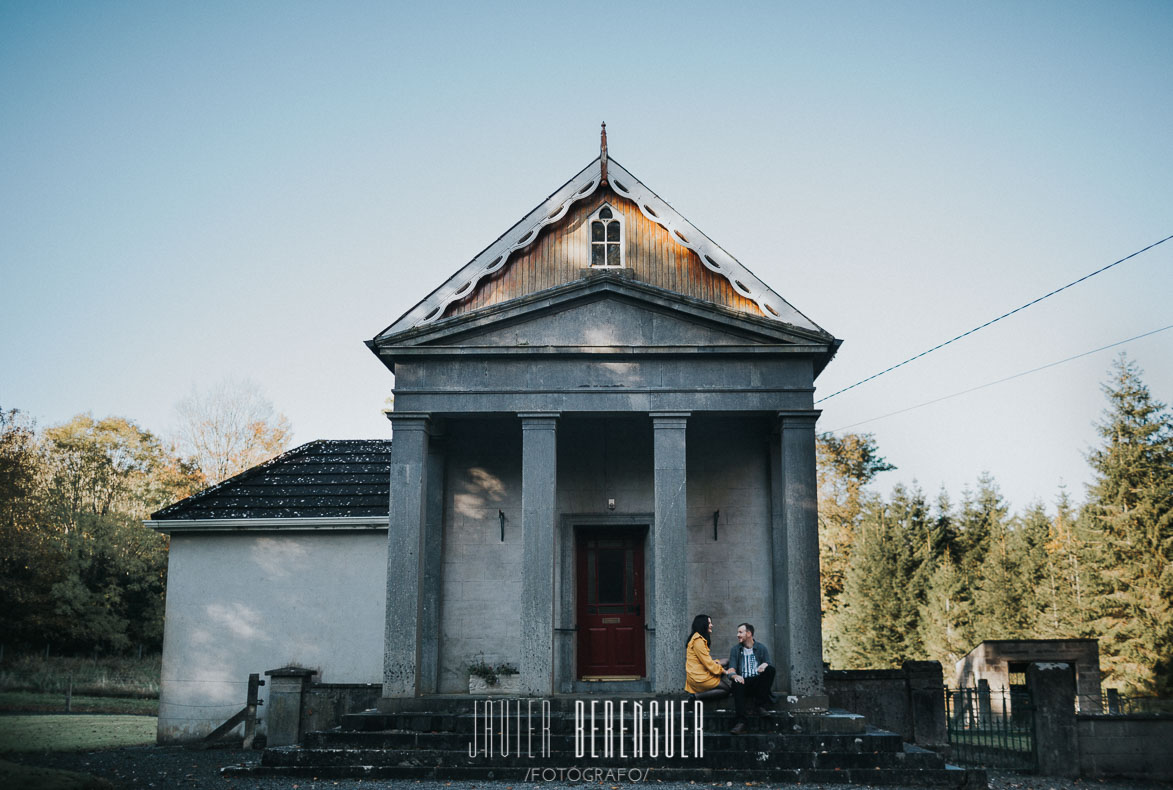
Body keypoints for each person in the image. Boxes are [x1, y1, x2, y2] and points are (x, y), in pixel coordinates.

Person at [725, 622, 776, 732]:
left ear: (749, 633)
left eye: (740, 632)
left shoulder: (761, 648)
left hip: (757, 684)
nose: (737, 635)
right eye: (738, 632)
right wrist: (734, 676)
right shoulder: (735, 650)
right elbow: (731, 668)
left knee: (770, 669)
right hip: (743, 683)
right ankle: (741, 721)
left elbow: (768, 663)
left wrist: (765, 664)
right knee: (736, 681)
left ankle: (760, 705)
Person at [684, 614, 734, 706]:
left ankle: (716, 682)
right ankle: (696, 696)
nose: (712, 625)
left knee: (726, 661)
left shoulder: (698, 638)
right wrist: (725, 672)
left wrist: (718, 665)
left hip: (700, 671)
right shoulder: (698, 641)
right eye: (709, 623)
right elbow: (708, 663)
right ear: (703, 624)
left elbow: (706, 660)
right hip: (698, 677)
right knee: (726, 690)